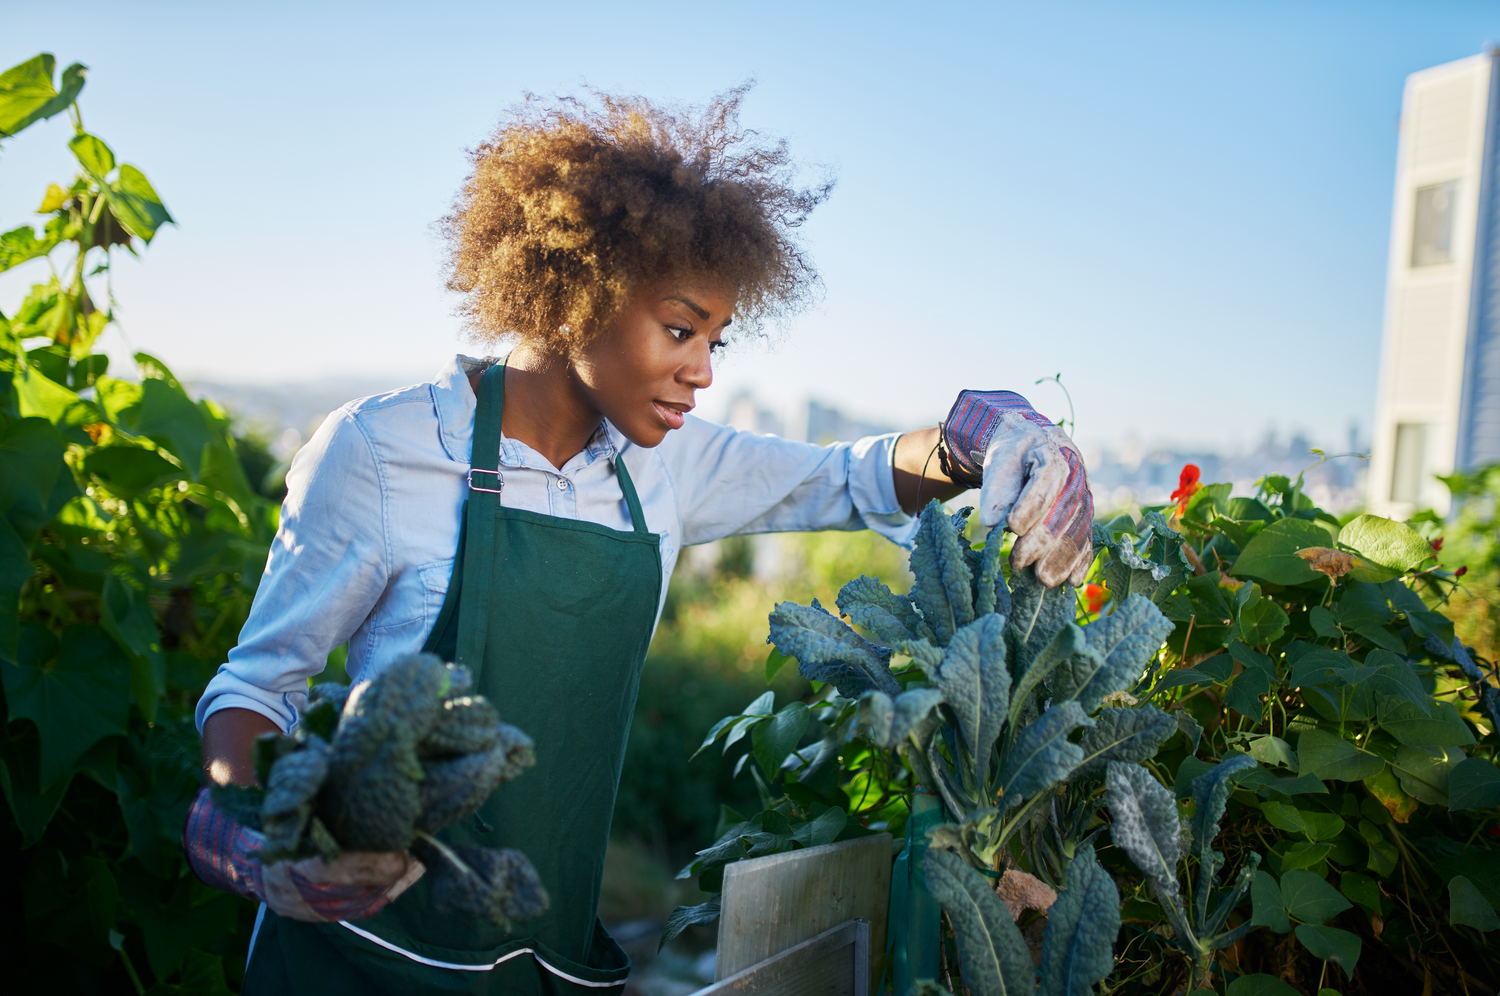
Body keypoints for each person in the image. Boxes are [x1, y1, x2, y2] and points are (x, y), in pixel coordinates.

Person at [186, 89, 1094, 995]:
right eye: (679, 328)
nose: (703, 369)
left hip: (541, 959)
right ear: (579, 294)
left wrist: (985, 431)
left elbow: (851, 477)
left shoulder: (671, 467)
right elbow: (258, 689)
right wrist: (254, 824)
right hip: (359, 961)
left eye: (717, 339)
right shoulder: (380, 452)